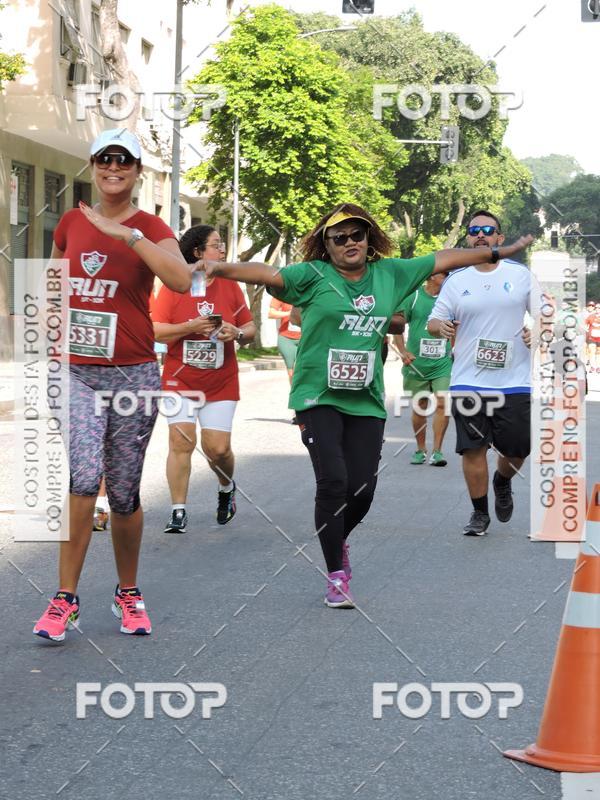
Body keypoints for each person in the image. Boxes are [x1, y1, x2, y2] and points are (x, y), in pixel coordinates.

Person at [196, 203, 533, 606]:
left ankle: (337, 538)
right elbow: (267, 273)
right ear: (327, 245)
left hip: (366, 400)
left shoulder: (390, 274)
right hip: (317, 396)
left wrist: (497, 252)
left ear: (368, 239)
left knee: (363, 491)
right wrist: (220, 267)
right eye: (339, 237)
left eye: (357, 234)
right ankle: (336, 573)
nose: (349, 242)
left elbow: (444, 258)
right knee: (333, 481)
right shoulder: (312, 275)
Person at [33, 129, 191, 642]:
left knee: (122, 493)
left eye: (124, 161)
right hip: (76, 372)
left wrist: (129, 237)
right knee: (83, 476)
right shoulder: (71, 222)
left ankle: (128, 591)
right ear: (93, 165)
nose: (114, 168)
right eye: (105, 159)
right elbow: (54, 282)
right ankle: (65, 598)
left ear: (138, 171)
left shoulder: (152, 227)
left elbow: (181, 281)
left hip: (133, 373)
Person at [428, 210, 539, 537]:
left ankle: (502, 480)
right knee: (472, 448)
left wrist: (538, 331)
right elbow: (433, 321)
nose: (480, 235)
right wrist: (440, 327)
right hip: (468, 379)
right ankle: (479, 513)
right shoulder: (456, 279)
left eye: (488, 230)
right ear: (468, 238)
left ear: (499, 238)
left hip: (514, 380)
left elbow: (546, 315)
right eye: (474, 230)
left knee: (517, 449)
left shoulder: (520, 274)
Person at [152, 225, 256, 534]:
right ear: (197, 252)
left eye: (222, 245)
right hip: (180, 381)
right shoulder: (174, 285)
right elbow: (155, 330)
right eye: (216, 245)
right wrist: (190, 327)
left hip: (220, 382)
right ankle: (178, 510)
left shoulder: (230, 286)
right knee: (180, 440)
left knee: (218, 449)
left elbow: (250, 329)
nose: (222, 250)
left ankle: (226, 487)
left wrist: (237, 333)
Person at [394, 271, 452, 466]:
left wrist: (456, 351)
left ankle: (437, 451)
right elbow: (397, 326)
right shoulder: (414, 296)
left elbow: (458, 326)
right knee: (420, 406)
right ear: (432, 276)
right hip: (417, 363)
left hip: (442, 363)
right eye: (444, 275)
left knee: (443, 403)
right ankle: (421, 449)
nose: (447, 278)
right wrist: (403, 351)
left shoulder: (450, 298)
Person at [269, 297, 301, 423]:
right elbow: (271, 313)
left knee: (301, 372)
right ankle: (297, 408)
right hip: (286, 338)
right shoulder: (282, 293)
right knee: (292, 374)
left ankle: (303, 406)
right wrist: (290, 313)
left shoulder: (308, 291)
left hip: (305, 337)